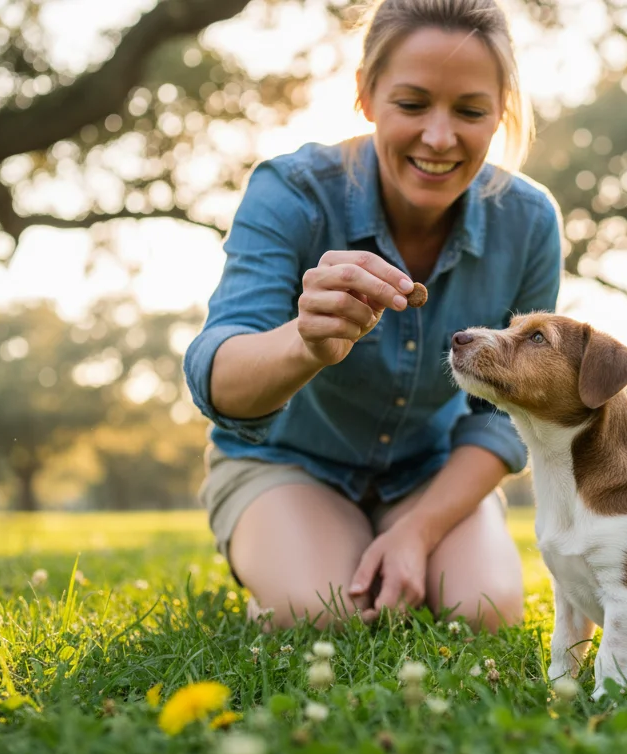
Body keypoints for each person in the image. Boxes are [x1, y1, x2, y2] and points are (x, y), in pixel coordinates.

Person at [184, 0, 562, 632]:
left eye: (469, 111)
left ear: (501, 112)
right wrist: (305, 343)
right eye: (412, 105)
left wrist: (419, 530)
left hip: (426, 473)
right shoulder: (292, 192)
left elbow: (503, 414)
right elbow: (217, 375)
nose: (439, 138)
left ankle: (384, 538)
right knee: (320, 613)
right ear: (365, 94)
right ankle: (291, 554)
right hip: (286, 462)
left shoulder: (528, 221)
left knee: (484, 613)